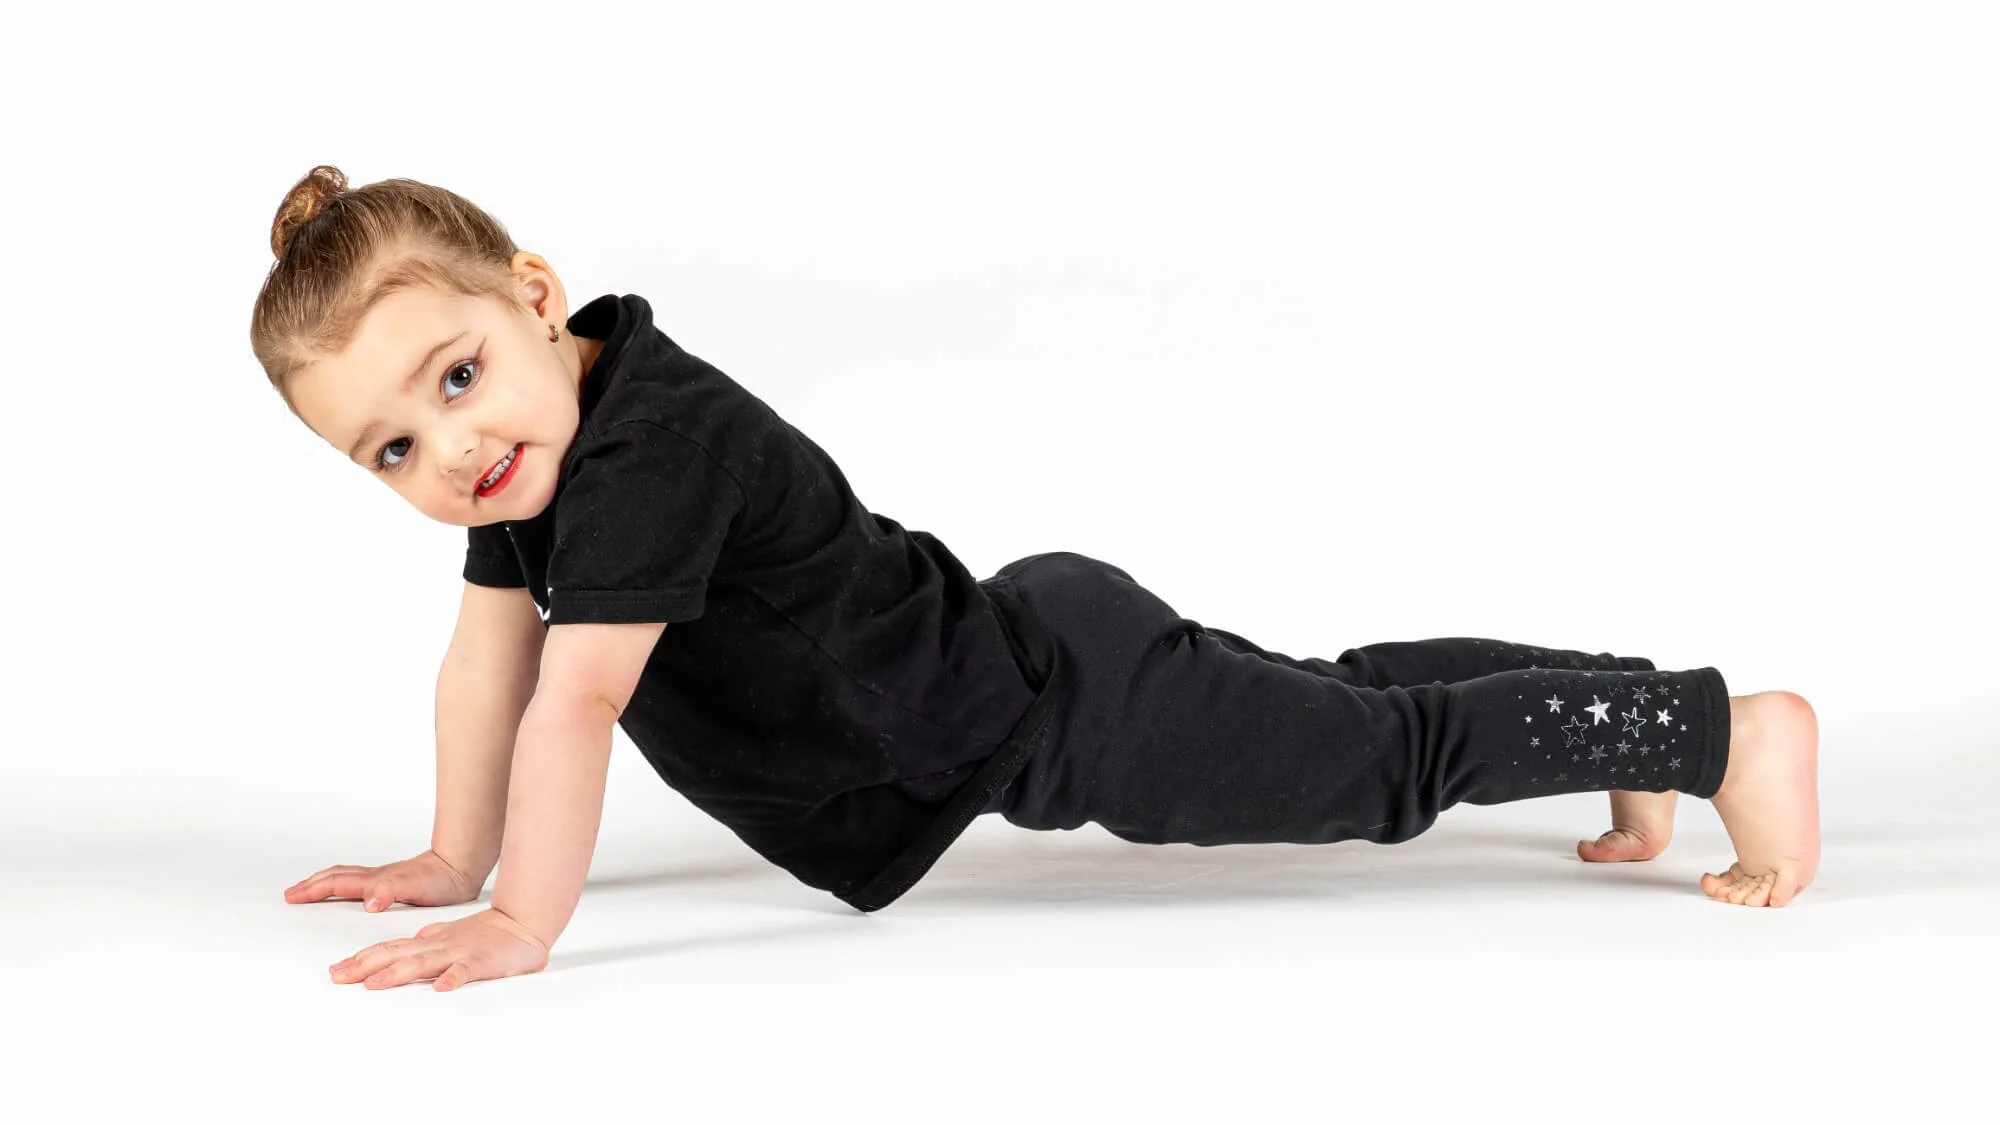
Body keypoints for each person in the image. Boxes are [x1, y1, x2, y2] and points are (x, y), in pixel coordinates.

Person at [260, 166, 1821, 993]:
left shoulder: (643, 451)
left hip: (1064, 715)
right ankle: (1635, 723)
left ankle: (1724, 737)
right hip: (1034, 653)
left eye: (455, 377)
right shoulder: (542, 453)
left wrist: (522, 920)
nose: (450, 449)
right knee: (1350, 702)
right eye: (390, 448)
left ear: (536, 295)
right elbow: (487, 666)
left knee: (1378, 762)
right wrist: (454, 854)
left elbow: (575, 702)